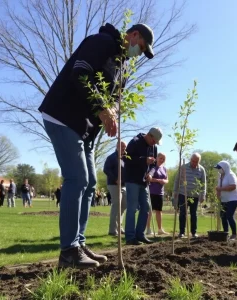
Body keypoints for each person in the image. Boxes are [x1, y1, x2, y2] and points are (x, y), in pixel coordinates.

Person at [38, 21, 154, 268]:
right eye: (141, 47)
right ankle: (68, 250)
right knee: (77, 179)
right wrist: (103, 107)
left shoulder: (122, 67)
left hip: (84, 129)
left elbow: (115, 101)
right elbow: (79, 73)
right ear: (133, 35)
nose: (139, 54)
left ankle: (78, 243)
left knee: (90, 182)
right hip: (63, 116)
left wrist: (111, 111)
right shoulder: (102, 43)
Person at [124, 127, 162, 245]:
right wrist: (143, 160)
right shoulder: (135, 142)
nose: (154, 144)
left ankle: (140, 234)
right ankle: (130, 237)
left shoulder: (153, 148)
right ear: (149, 135)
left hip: (144, 182)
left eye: (156, 142)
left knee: (146, 207)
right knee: (132, 208)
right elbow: (126, 158)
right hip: (132, 180)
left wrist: (150, 174)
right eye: (154, 140)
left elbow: (153, 165)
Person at [174, 153, 206, 238]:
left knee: (193, 214)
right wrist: (175, 191)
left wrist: (203, 195)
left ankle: (193, 232)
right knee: (183, 213)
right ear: (190, 159)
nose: (194, 163)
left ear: (199, 161)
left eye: (196, 161)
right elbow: (177, 180)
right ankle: (182, 232)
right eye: (193, 160)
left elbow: (203, 184)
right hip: (183, 194)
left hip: (195, 195)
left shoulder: (201, 170)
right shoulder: (183, 167)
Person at [103, 141, 127, 236]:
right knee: (116, 205)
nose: (124, 148)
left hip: (124, 185)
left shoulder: (125, 158)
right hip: (114, 184)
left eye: (125, 147)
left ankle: (119, 226)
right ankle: (112, 230)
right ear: (117, 146)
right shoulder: (112, 157)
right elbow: (106, 169)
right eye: (122, 146)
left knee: (124, 204)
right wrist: (115, 179)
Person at [214, 161, 237, 240]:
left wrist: (221, 189)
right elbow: (218, 188)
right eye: (218, 168)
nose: (218, 170)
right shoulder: (220, 176)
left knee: (229, 215)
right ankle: (226, 233)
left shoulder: (231, 175)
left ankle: (235, 235)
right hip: (224, 199)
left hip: (233, 198)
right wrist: (218, 196)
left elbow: (233, 186)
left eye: (219, 168)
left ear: (224, 168)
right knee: (223, 216)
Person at [146, 152, 169, 235]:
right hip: (152, 192)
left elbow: (167, 179)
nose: (162, 160)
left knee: (159, 211)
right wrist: (158, 180)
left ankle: (160, 229)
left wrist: (164, 181)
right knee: (150, 211)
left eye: (163, 159)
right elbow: (149, 178)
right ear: (157, 158)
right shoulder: (153, 167)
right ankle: (148, 229)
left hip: (160, 193)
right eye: (161, 158)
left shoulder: (164, 168)